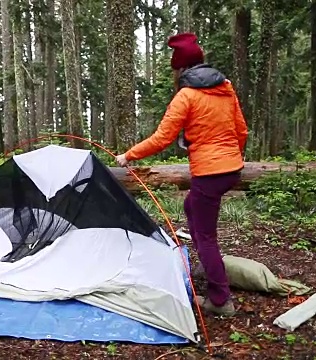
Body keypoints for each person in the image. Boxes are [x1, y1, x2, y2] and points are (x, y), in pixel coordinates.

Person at [115, 32, 248, 317]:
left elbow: (163, 138)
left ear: (180, 69)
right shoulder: (225, 87)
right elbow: (241, 130)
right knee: (191, 207)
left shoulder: (186, 96)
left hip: (210, 173)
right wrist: (236, 156)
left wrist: (129, 155)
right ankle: (208, 265)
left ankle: (221, 300)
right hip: (230, 169)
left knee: (206, 235)